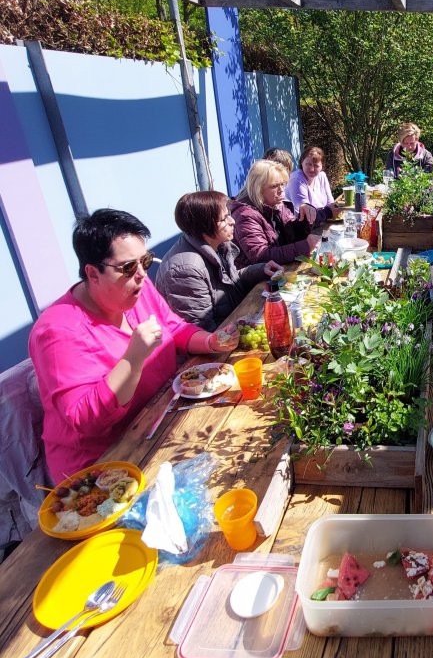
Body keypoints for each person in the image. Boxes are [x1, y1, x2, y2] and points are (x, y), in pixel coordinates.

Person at [29, 209, 238, 483]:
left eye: (145, 261)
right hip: (102, 468)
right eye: (128, 267)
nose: (141, 274)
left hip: (159, 422)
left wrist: (210, 341)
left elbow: (172, 327)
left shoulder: (137, 288)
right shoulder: (58, 331)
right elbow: (85, 420)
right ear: (92, 273)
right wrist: (132, 359)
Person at [157, 190, 282, 331]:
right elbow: (201, 330)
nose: (232, 221)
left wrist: (260, 269)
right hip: (220, 337)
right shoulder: (185, 270)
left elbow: (230, 281)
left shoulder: (217, 244)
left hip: (232, 324)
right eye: (224, 218)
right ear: (205, 225)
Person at [231, 159, 337, 268]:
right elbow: (261, 257)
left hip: (282, 268)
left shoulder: (276, 204)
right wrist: (305, 246)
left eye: (282, 184)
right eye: (274, 186)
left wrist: (305, 217)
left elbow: (295, 236)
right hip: (261, 277)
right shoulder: (245, 215)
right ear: (258, 188)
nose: (281, 190)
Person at [286, 146, 341, 211]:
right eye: (308, 164)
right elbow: (305, 212)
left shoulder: (322, 176)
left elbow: (331, 203)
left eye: (316, 166)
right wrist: (329, 212)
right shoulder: (296, 180)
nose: (312, 169)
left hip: (322, 216)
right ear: (302, 162)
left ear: (322, 166)